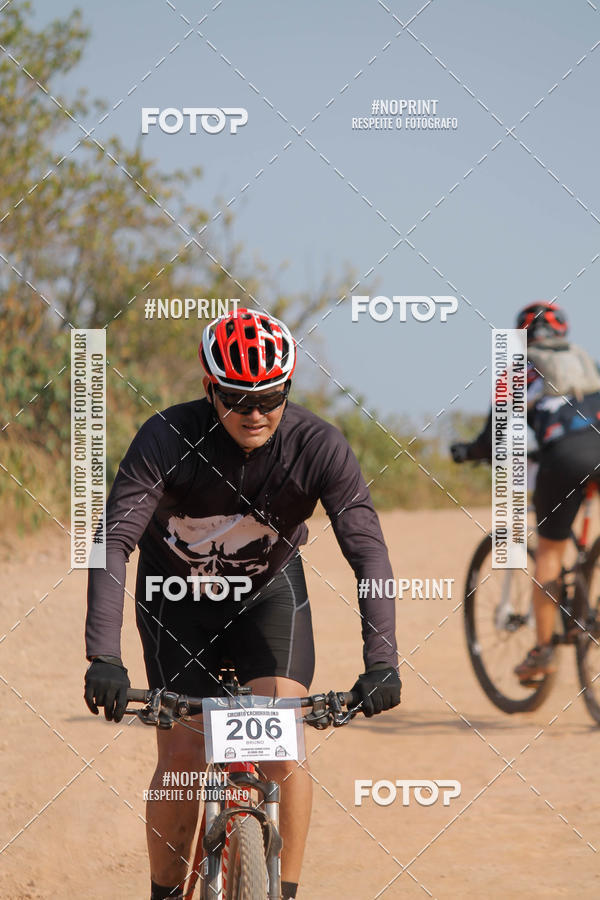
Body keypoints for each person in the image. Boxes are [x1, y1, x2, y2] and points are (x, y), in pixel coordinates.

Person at [83, 307, 401, 900]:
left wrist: (382, 660)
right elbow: (112, 545)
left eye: (270, 396)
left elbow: (369, 554)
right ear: (210, 389)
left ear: (289, 387)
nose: (254, 413)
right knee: (182, 755)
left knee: (282, 749)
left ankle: (281, 892)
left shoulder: (318, 446)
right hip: (175, 600)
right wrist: (103, 656)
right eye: (236, 397)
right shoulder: (165, 438)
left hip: (268, 600)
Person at [451, 301, 600, 683]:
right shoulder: (589, 363)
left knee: (550, 551)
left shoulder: (518, 372)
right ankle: (588, 595)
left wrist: (468, 451)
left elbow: (491, 439)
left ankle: (544, 651)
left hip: (565, 457)